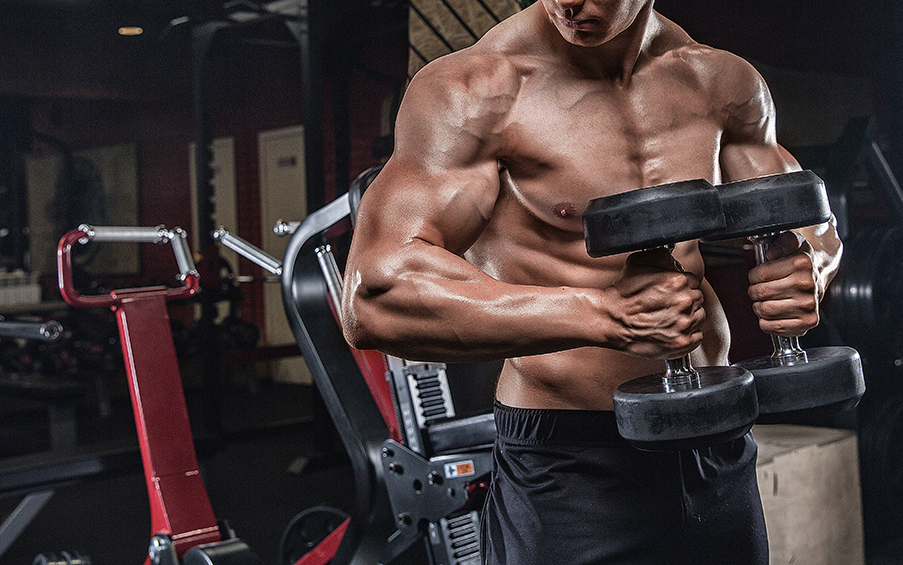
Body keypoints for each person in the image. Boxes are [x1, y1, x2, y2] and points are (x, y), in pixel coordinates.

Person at [342, 0, 842, 562]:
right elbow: (376, 293)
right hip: (572, 463)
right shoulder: (481, 89)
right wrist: (604, 315)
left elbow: (802, 214)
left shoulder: (718, 80)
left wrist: (810, 267)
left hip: (717, 442)